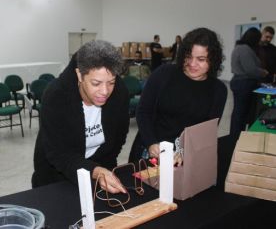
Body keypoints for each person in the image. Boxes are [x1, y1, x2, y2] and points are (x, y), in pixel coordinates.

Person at [32, 40, 130, 194]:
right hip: (57, 176)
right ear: (79, 74)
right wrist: (95, 171)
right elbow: (59, 153)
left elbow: (118, 137)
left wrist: (102, 169)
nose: (105, 91)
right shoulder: (56, 96)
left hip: (99, 170)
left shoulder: (119, 92)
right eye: (96, 83)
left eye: (111, 82)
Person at [129, 28, 227, 162]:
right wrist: (151, 143)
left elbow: (207, 131)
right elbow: (143, 111)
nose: (192, 64)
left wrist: (185, 152)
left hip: (189, 156)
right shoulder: (164, 74)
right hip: (151, 150)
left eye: (201, 59)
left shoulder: (218, 90)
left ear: (214, 60)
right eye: (188, 56)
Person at [230, 28, 269, 138]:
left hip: (240, 82)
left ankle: (236, 136)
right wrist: (263, 72)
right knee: (240, 113)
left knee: (239, 112)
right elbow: (250, 69)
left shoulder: (239, 47)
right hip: (244, 83)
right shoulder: (245, 49)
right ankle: (236, 137)